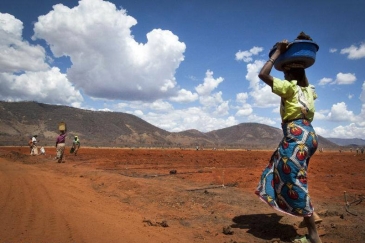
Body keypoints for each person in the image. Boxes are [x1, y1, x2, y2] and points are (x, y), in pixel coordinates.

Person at [255, 37, 322, 243]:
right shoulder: (309, 90)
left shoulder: (289, 88)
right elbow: (304, 82)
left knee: (293, 179)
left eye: (285, 72)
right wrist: (299, 69)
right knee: (279, 166)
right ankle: (312, 215)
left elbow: (262, 74)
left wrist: (277, 53)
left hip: (296, 137)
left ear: (290, 74)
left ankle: (313, 235)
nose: (283, 74)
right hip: (309, 136)